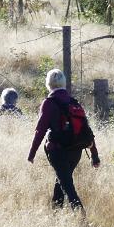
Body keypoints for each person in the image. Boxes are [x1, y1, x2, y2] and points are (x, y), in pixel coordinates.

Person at [26, 69, 100, 209]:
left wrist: (32, 154)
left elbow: (40, 131)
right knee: (62, 180)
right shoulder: (74, 102)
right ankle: (55, 211)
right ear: (64, 83)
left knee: (68, 186)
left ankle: (81, 217)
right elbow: (87, 131)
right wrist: (94, 155)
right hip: (76, 151)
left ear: (48, 84)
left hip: (58, 151)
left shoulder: (48, 103)